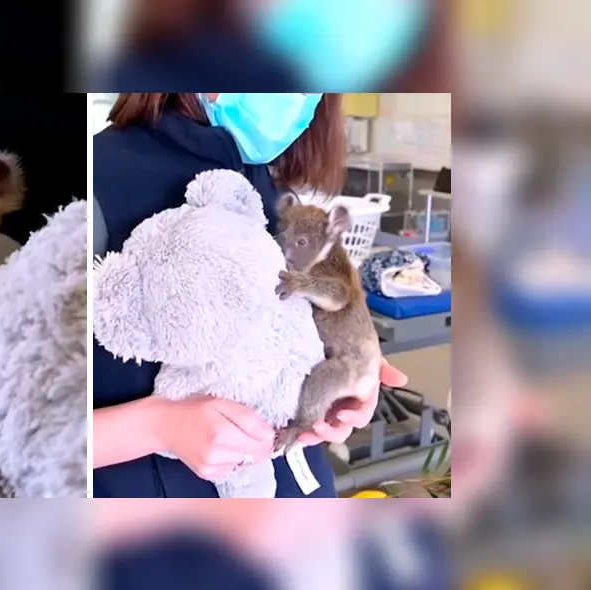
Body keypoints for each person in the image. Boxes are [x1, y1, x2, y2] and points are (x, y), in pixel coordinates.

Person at [92, 93, 408, 498]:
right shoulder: (98, 178)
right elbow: (20, 427)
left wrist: (353, 367)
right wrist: (156, 427)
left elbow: (298, 309)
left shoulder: (265, 179)